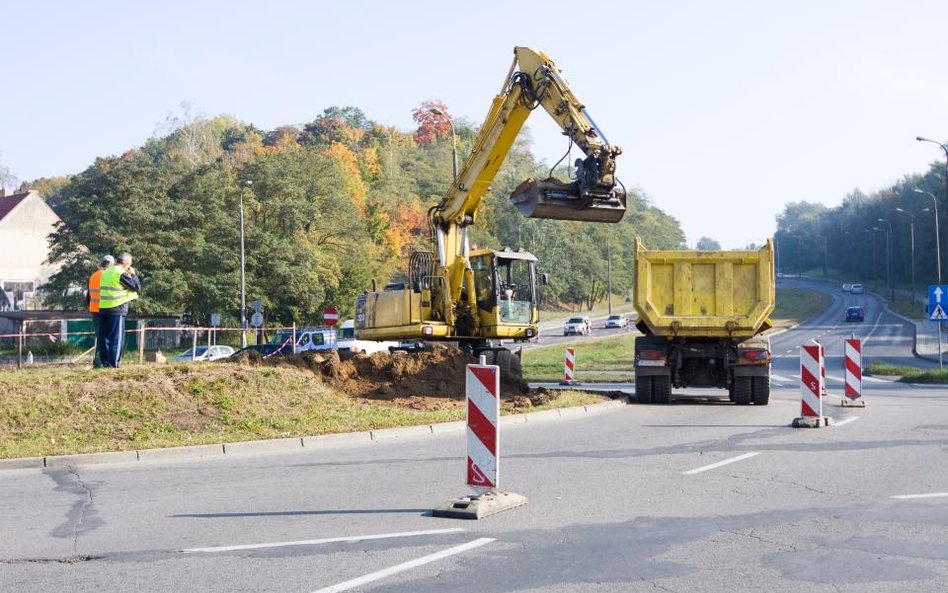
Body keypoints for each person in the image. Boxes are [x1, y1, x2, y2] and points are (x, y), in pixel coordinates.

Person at [97, 252, 141, 368]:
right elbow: (136, 287)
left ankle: (105, 362)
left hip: (103, 307)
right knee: (116, 338)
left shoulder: (107, 272)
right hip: (117, 308)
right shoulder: (120, 273)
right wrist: (133, 274)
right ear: (127, 264)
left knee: (104, 337)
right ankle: (114, 363)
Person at [87, 254, 114, 368]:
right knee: (105, 337)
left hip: (94, 310)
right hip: (104, 310)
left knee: (100, 337)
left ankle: (98, 361)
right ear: (110, 265)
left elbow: (88, 296)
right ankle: (101, 362)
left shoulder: (93, 275)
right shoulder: (107, 275)